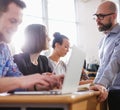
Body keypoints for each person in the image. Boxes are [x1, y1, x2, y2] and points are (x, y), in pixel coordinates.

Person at [0, 0, 62, 94]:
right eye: (12, 21)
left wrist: (40, 85)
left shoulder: (4, 49)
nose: (16, 28)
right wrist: (22, 81)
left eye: (18, 23)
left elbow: (17, 84)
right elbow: (19, 82)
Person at [13, 24, 63, 91]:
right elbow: (16, 87)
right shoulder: (18, 60)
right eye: (46, 36)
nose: (49, 39)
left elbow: (51, 82)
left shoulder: (44, 60)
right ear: (37, 38)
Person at [90, 1, 120, 108]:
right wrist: (95, 84)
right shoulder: (103, 40)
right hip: (111, 93)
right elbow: (103, 67)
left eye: (101, 16)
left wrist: (101, 84)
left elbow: (115, 63)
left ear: (114, 16)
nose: (97, 20)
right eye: (96, 16)